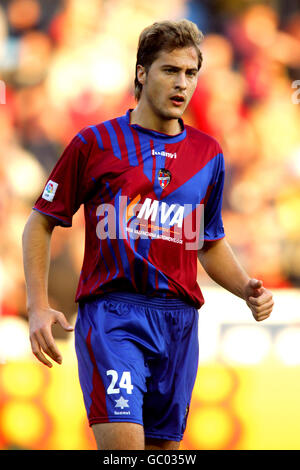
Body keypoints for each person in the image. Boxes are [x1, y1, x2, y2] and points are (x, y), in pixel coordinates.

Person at [22, 19, 274, 451]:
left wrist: (244, 287)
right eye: (170, 70)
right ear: (142, 72)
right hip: (113, 316)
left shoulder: (208, 154)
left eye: (190, 73)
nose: (182, 84)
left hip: (179, 323)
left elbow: (208, 241)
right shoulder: (95, 144)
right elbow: (40, 222)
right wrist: (38, 306)